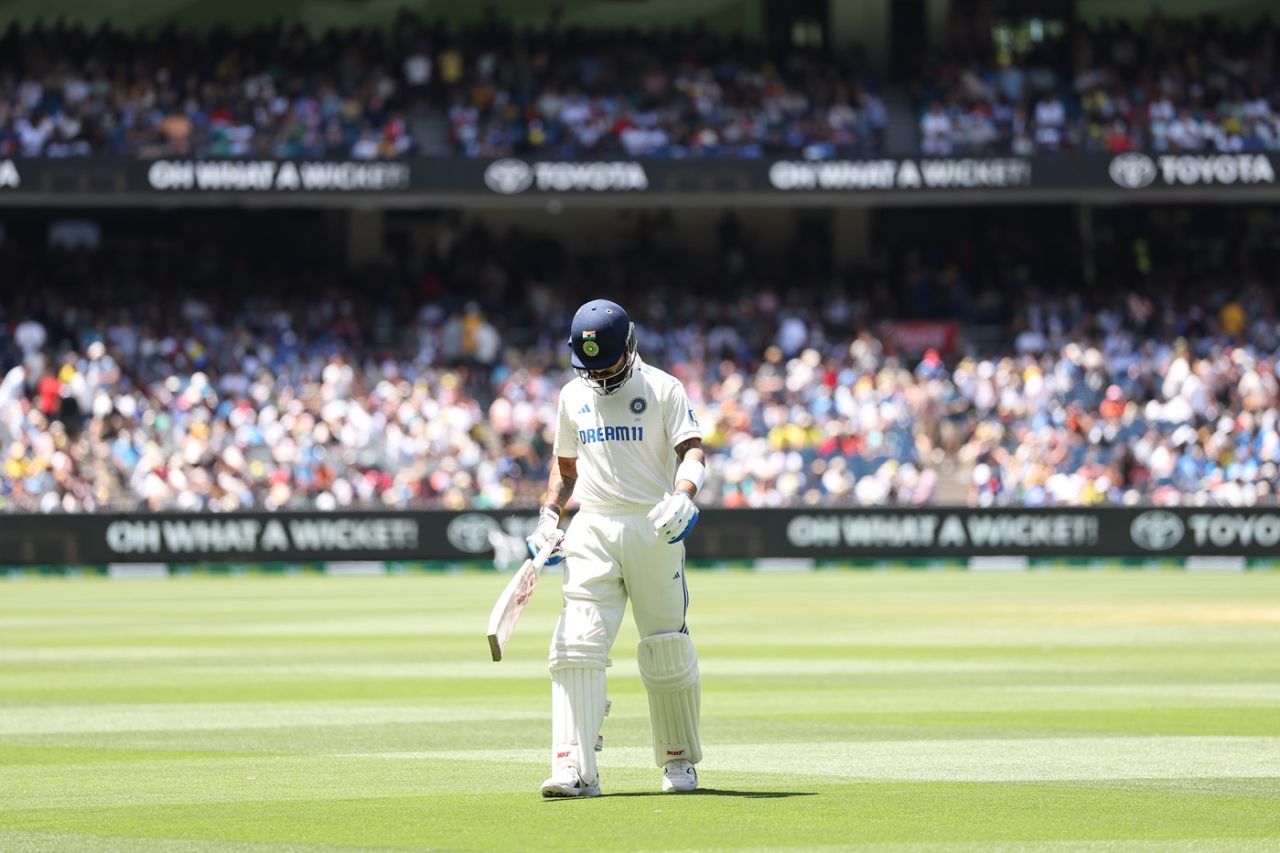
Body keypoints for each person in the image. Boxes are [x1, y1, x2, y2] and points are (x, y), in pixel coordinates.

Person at [527, 298, 706, 797]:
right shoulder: (571, 395)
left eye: (609, 363)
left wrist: (683, 495)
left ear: (631, 345)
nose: (600, 375)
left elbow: (691, 449)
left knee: (665, 647)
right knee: (574, 646)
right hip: (594, 525)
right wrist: (548, 515)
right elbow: (565, 469)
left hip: (653, 525)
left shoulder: (663, 387)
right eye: (591, 366)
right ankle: (574, 767)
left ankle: (677, 761)